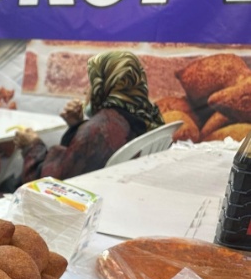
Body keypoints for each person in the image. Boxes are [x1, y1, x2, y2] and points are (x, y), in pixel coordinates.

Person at [14, 51, 165, 183]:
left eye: (92, 82)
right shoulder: (150, 117)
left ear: (104, 84)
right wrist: (77, 126)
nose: (88, 90)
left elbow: (50, 183)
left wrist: (32, 146)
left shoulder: (99, 129)